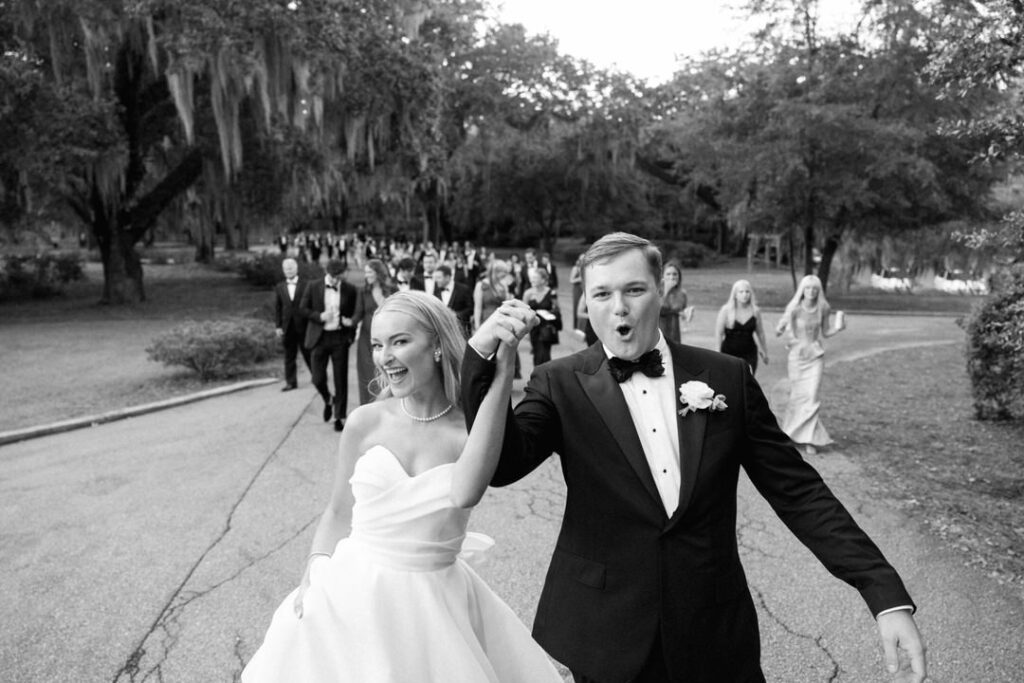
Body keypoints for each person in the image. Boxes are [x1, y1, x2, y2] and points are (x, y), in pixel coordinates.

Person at [463, 232, 925, 683]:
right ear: (586, 300)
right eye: (601, 294)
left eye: (634, 290)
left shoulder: (727, 377)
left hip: (713, 630)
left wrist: (882, 591)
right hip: (605, 633)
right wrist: (480, 361)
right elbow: (501, 467)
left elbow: (799, 492)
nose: (618, 308)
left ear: (661, 290)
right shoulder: (558, 382)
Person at [242, 292, 562, 683]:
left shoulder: (472, 432)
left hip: (433, 608)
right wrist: (315, 566)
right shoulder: (364, 422)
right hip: (347, 600)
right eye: (378, 345)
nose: (384, 357)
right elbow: (338, 511)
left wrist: (502, 366)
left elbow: (464, 492)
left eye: (399, 341)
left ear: (439, 347)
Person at [774, 274, 845, 456]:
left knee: (812, 397)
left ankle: (809, 439)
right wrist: (786, 335)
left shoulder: (823, 307)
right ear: (802, 290)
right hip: (798, 357)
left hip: (815, 356)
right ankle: (790, 434)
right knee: (797, 396)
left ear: (818, 290)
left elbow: (826, 331)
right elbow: (786, 331)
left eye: (814, 288)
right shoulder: (795, 308)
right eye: (807, 288)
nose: (811, 292)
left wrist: (838, 328)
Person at [300, 259, 358, 432]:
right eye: (334, 277)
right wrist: (319, 316)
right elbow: (303, 308)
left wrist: (350, 336)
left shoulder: (349, 289)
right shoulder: (313, 286)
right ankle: (328, 399)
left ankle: (340, 416)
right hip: (319, 337)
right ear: (328, 273)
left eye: (339, 277)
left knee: (341, 379)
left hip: (340, 338)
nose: (336, 281)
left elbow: (354, 313)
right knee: (317, 378)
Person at [352, 259, 396, 405]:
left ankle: (390, 406)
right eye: (366, 272)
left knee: (390, 370)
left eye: (369, 272)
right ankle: (368, 408)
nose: (367, 275)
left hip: (390, 337)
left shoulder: (393, 289)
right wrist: (349, 322)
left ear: (378, 272)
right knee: (367, 373)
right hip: (367, 338)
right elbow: (358, 313)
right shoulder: (363, 291)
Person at [715, 279, 769, 374]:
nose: (745, 294)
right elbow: (719, 333)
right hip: (729, 353)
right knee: (732, 381)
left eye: (747, 291)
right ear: (735, 294)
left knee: (747, 381)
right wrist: (717, 353)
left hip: (749, 353)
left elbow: (761, 333)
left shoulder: (755, 311)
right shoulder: (726, 311)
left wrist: (764, 351)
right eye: (741, 292)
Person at [273, 258, 312, 391]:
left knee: (309, 353)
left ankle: (317, 377)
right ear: (283, 271)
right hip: (287, 327)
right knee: (289, 356)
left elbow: (311, 305)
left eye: (291, 268)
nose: (289, 270)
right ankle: (291, 382)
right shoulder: (280, 287)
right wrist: (278, 326)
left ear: (296, 269)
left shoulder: (306, 284)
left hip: (304, 325)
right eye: (286, 268)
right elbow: (278, 308)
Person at [522, 267, 560, 368]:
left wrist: (549, 314)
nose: (532, 280)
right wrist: (525, 330)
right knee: (536, 352)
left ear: (543, 280)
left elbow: (557, 310)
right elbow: (524, 313)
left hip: (546, 328)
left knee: (545, 354)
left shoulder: (551, 293)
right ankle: (538, 377)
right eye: (532, 278)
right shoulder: (528, 293)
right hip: (533, 328)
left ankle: (546, 377)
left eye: (535, 278)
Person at [432, 263, 474, 336]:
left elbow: (471, 309)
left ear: (448, 277)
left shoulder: (464, 289)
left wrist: (457, 315)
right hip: (442, 332)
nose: (436, 280)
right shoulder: (436, 291)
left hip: (461, 331)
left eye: (439, 277)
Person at [658, 260, 692, 343]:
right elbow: (656, 310)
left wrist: (688, 313)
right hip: (659, 335)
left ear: (679, 276)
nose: (672, 277)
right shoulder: (657, 291)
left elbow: (683, 315)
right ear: (663, 276)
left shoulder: (682, 293)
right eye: (668, 274)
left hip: (674, 335)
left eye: (675, 274)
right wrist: (666, 290)